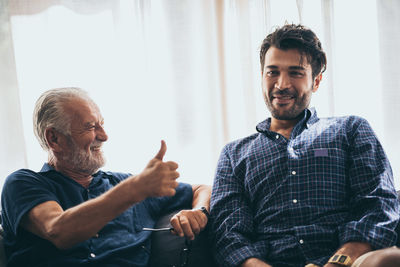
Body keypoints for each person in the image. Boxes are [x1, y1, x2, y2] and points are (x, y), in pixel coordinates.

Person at [209, 24, 400, 267]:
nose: (281, 84)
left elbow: (378, 205)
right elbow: (229, 236)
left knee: (389, 260)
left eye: (296, 72)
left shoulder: (351, 130)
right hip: (271, 263)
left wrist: (335, 264)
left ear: (316, 81)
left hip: (349, 261)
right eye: (273, 72)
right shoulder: (234, 155)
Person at [1, 87, 211, 267]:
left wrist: (199, 212)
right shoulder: (23, 184)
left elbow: (201, 189)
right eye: (91, 127)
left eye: (101, 124)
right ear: (54, 139)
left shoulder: (123, 184)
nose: (104, 136)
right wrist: (134, 189)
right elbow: (58, 230)